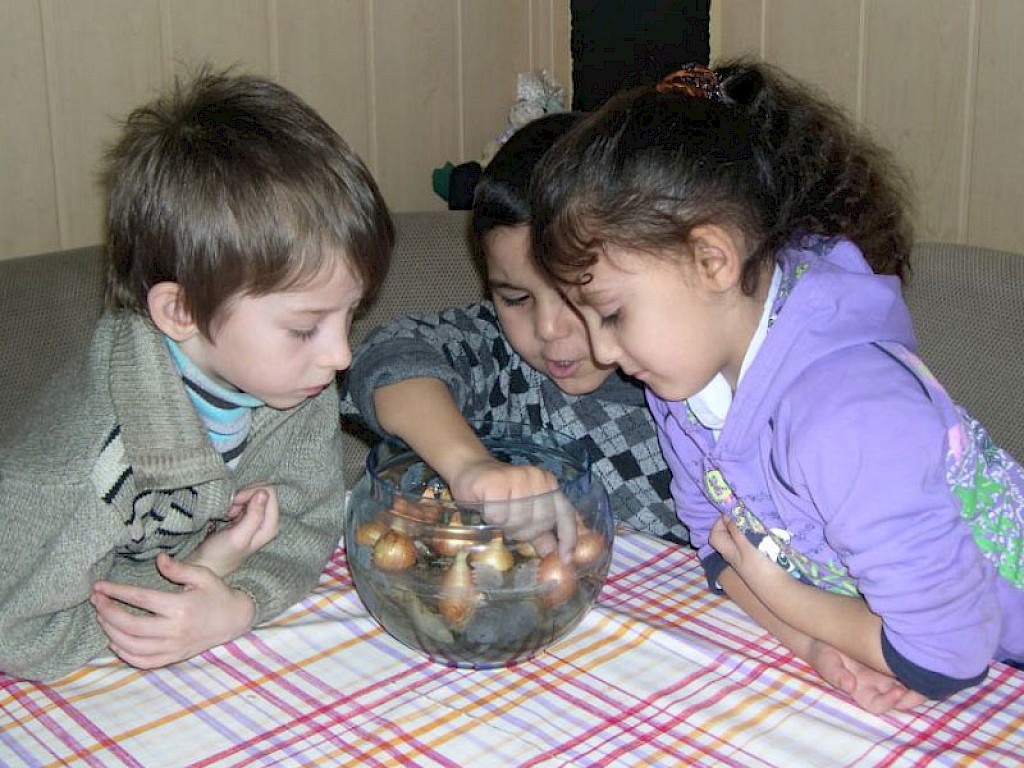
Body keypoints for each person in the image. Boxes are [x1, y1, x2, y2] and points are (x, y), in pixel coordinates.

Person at [530, 60, 1024, 714]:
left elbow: (947, 654)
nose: (600, 350)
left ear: (712, 259)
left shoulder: (847, 412)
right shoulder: (684, 391)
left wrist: (786, 597)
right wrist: (813, 644)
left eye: (614, 313)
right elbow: (716, 550)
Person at [0, 68, 393, 681]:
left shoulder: (292, 378)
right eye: (304, 325)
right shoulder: (77, 469)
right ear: (181, 312)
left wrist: (237, 602)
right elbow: (15, 633)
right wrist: (199, 574)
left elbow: (309, 520)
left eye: (350, 314)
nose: (340, 356)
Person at [341, 112, 688, 547]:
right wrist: (470, 465)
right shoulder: (501, 358)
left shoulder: (687, 379)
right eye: (516, 299)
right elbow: (390, 355)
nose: (547, 329)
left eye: (578, 295)